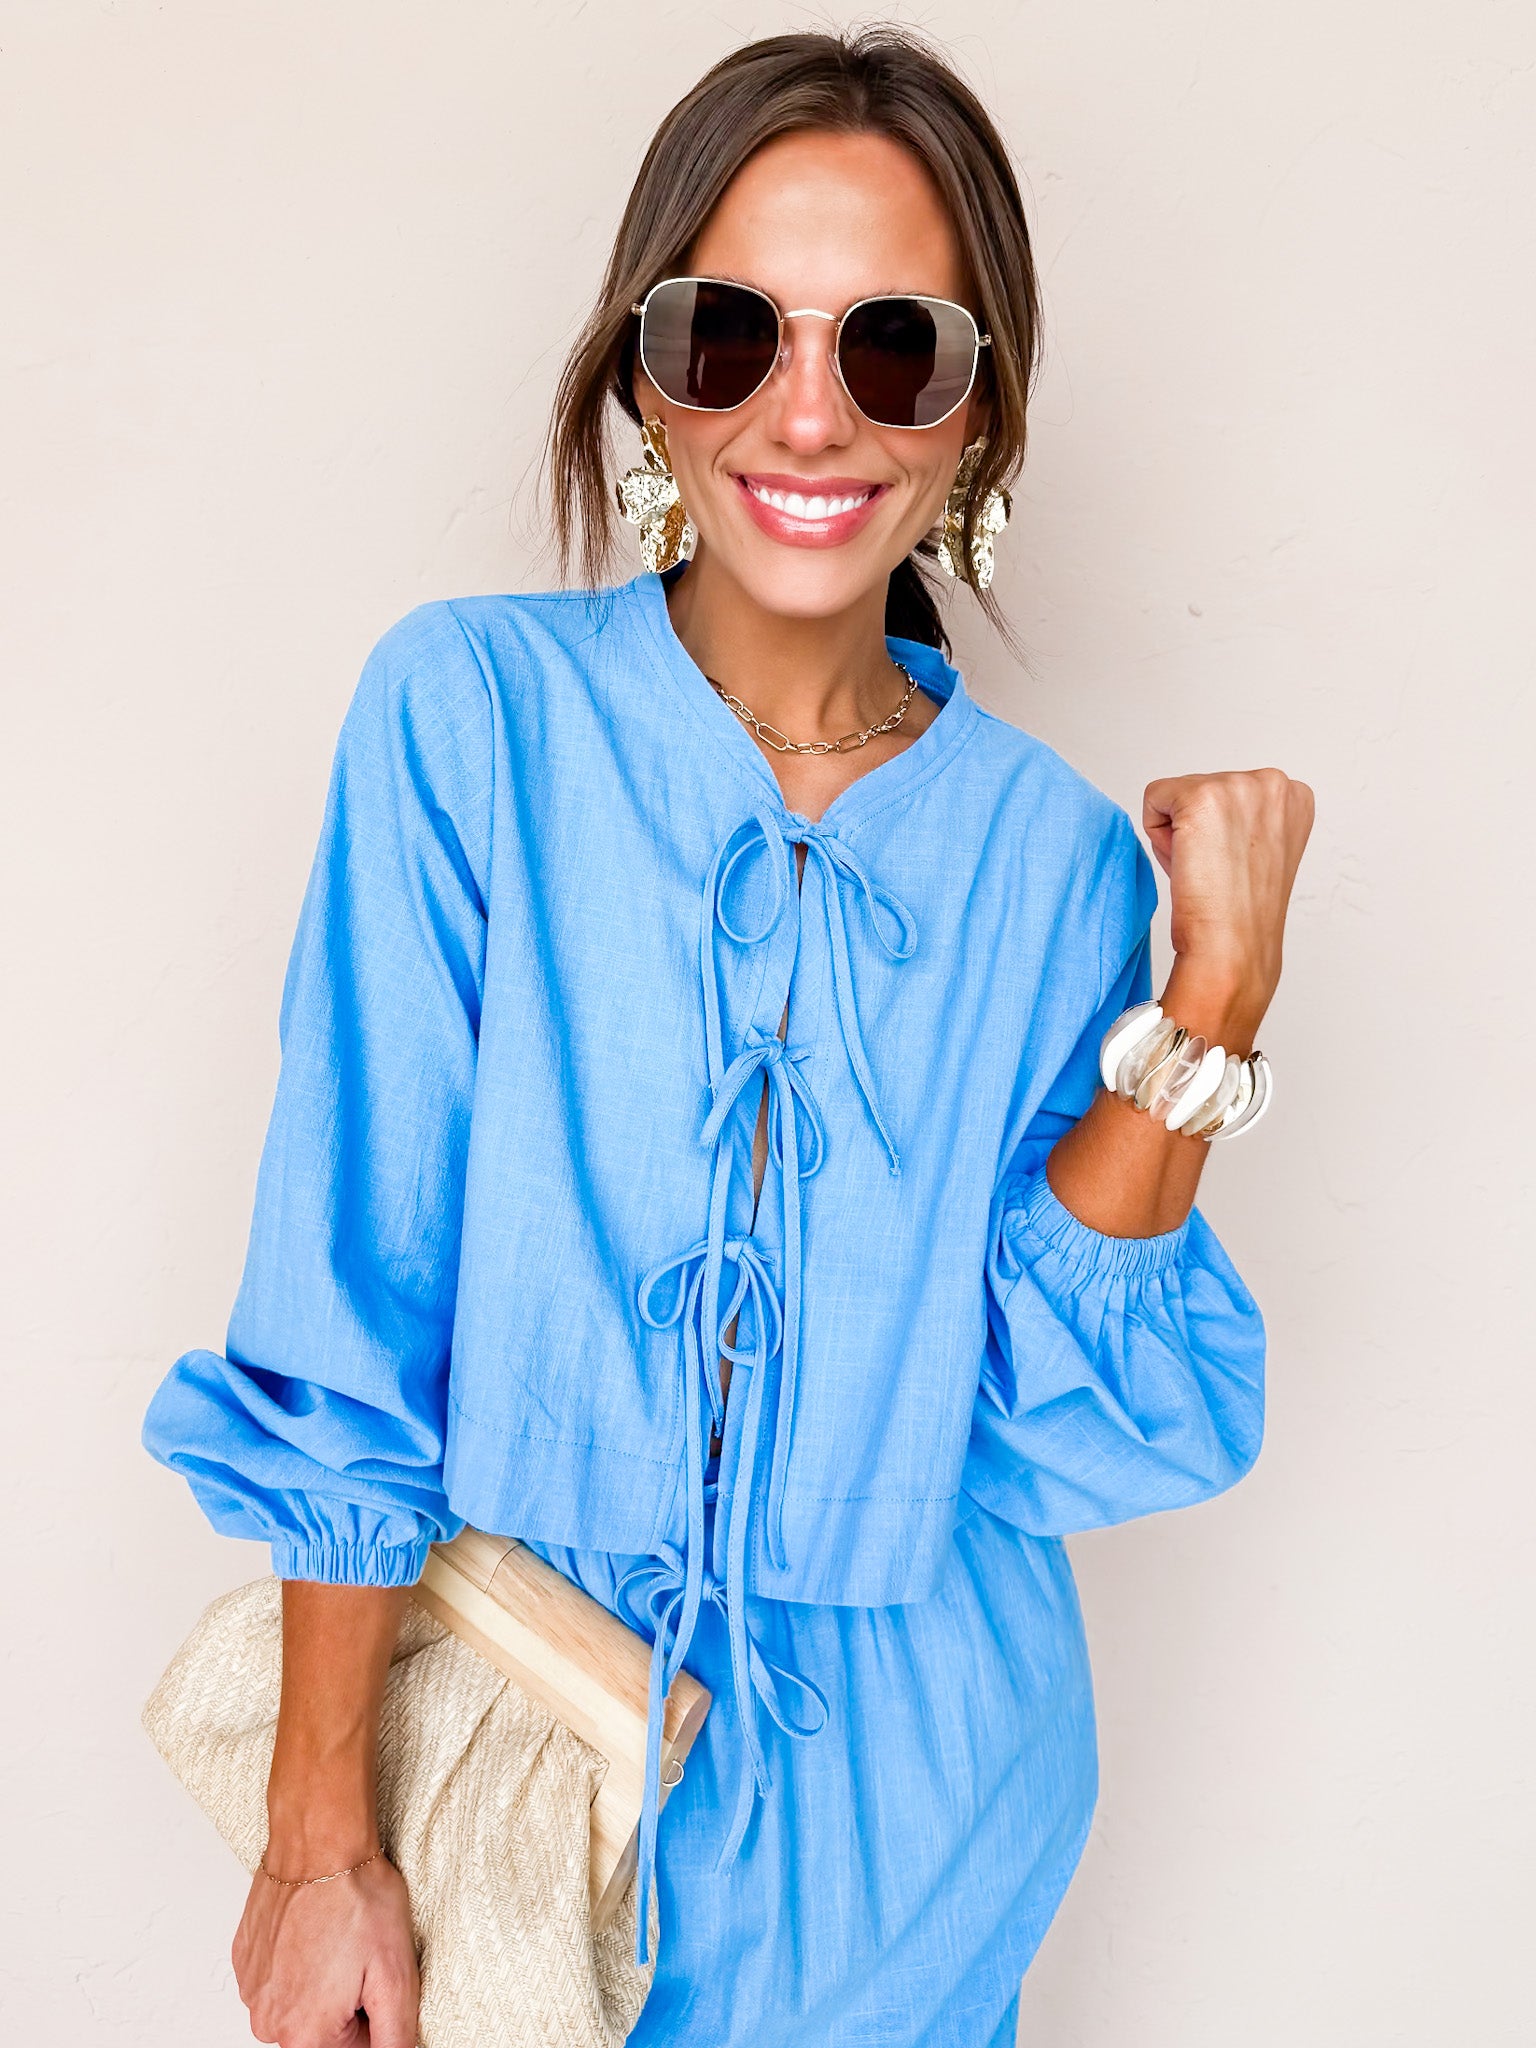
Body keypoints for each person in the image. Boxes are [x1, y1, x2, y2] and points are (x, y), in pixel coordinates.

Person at [143, 26, 1313, 2048]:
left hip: (926, 1823)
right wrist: (319, 1839)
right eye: (730, 335)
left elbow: (1054, 1417)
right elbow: (355, 1294)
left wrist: (1209, 1009)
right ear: (642, 376)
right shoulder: (471, 720)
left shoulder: (1054, 861)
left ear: (980, 411)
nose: (810, 411)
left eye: (896, 350)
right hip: (531, 1770)